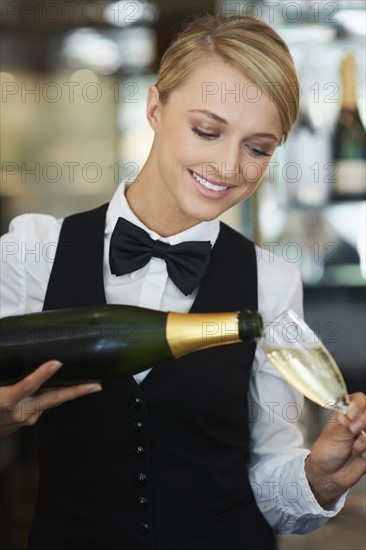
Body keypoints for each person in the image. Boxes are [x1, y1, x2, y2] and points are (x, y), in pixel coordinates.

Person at [0, 14, 365, 550]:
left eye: (258, 148)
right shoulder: (36, 251)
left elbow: (269, 481)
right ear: (154, 107)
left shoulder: (272, 281)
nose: (228, 166)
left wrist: (320, 477)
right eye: (207, 131)